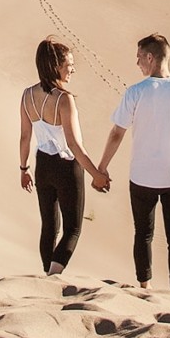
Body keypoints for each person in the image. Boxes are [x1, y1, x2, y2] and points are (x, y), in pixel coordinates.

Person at [94, 32, 170, 290]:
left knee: (143, 234)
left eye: (139, 58)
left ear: (151, 57)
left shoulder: (136, 92)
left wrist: (102, 167)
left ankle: (145, 287)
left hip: (142, 178)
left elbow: (116, 133)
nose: (137, 64)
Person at [19, 37, 109, 273]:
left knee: (49, 227)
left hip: (43, 166)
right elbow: (74, 144)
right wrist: (96, 175)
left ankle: (47, 275)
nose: (73, 68)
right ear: (56, 66)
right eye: (69, 64)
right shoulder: (63, 99)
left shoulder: (27, 95)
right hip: (66, 166)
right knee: (72, 229)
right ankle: (52, 276)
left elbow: (25, 138)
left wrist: (23, 169)